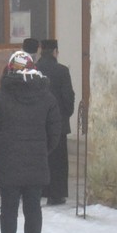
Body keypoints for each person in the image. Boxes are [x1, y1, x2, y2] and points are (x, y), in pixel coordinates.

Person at [0, 49, 64, 233]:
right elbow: (54, 132)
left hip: (7, 162)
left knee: (8, 210)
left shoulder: (0, 97)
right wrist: (43, 150)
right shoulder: (47, 98)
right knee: (33, 209)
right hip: (36, 162)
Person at [38, 37, 76, 204]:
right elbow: (68, 97)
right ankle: (56, 194)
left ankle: (38, 190)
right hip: (58, 123)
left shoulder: (34, 70)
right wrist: (66, 114)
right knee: (58, 160)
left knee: (39, 158)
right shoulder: (62, 71)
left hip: (37, 122)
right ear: (55, 52)